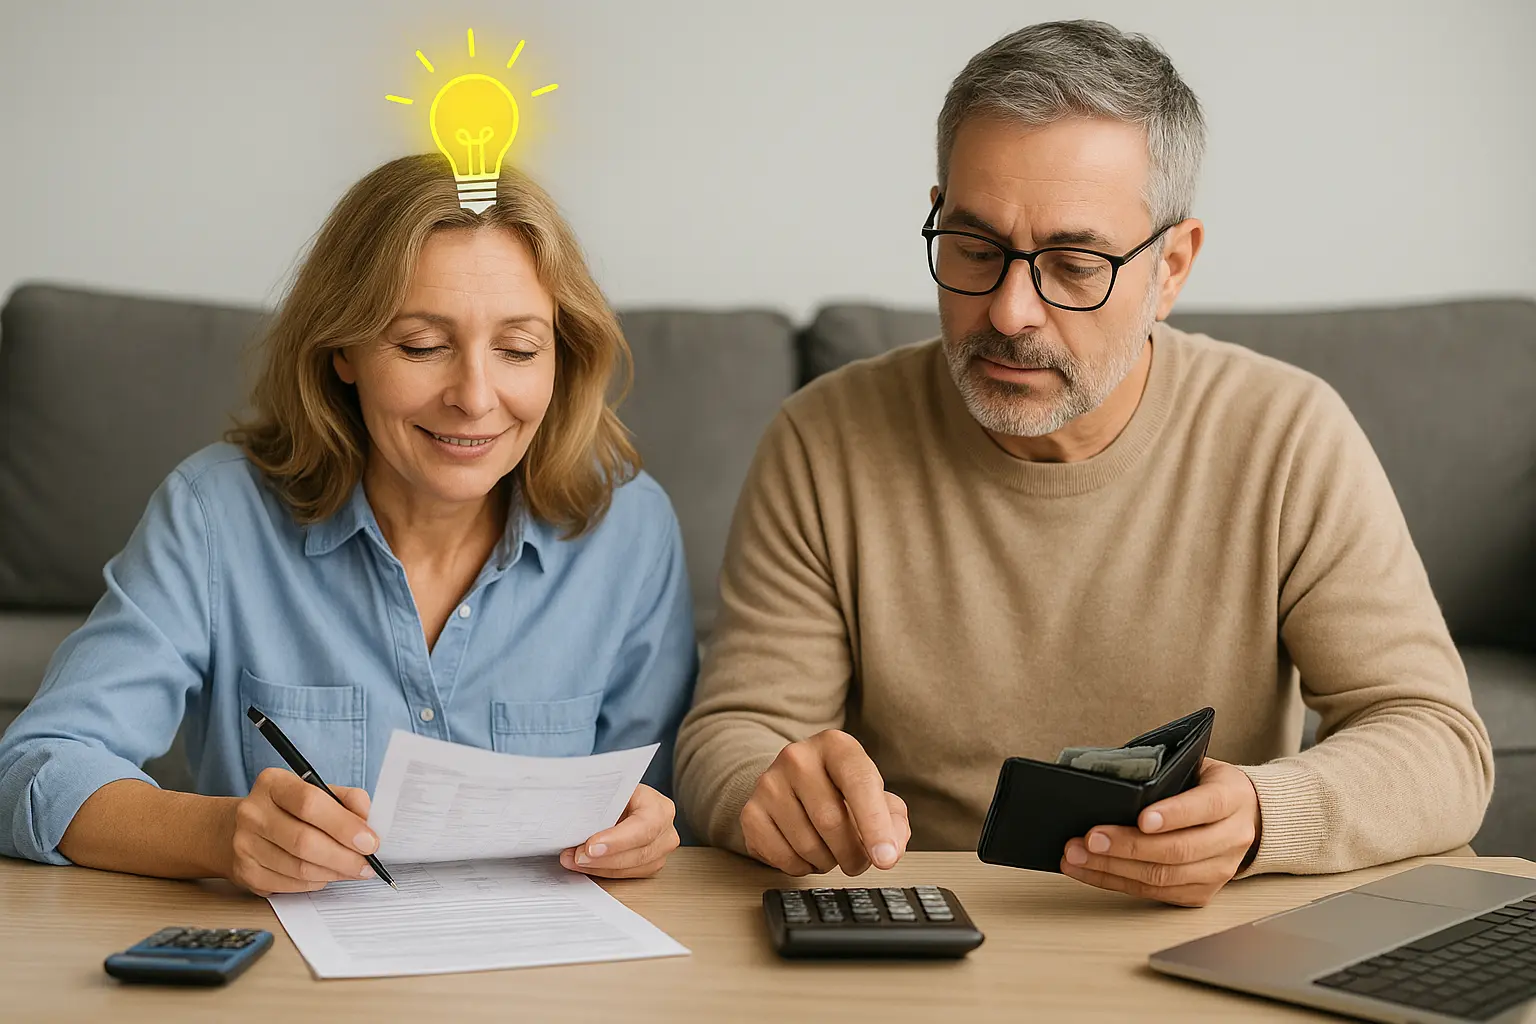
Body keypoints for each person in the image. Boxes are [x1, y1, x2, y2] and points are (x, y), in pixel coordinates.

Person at [675, 20, 1493, 907]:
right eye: (975, 249)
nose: (1011, 311)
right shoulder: (822, 440)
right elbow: (737, 731)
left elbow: (1439, 741)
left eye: (1073, 265)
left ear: (1171, 268)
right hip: (917, 919)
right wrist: (768, 791)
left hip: (1198, 930)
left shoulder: (1288, 436)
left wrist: (1264, 815)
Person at [0, 155, 697, 892]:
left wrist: (647, 829)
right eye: (422, 346)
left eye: (518, 349)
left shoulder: (629, 527)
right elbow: (34, 769)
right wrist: (219, 834)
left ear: (561, 357)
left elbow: (660, 797)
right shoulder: (215, 516)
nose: (474, 397)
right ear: (342, 350)